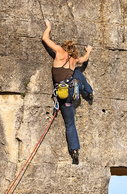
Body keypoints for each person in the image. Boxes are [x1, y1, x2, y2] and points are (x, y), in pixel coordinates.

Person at [42, 19, 93, 165]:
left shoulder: (59, 51)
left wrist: (49, 27)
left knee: (69, 124)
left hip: (62, 94)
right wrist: (88, 51)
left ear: (64, 47)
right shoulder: (74, 59)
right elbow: (83, 59)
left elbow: (45, 38)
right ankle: (88, 91)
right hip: (73, 90)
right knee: (76, 73)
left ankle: (74, 151)